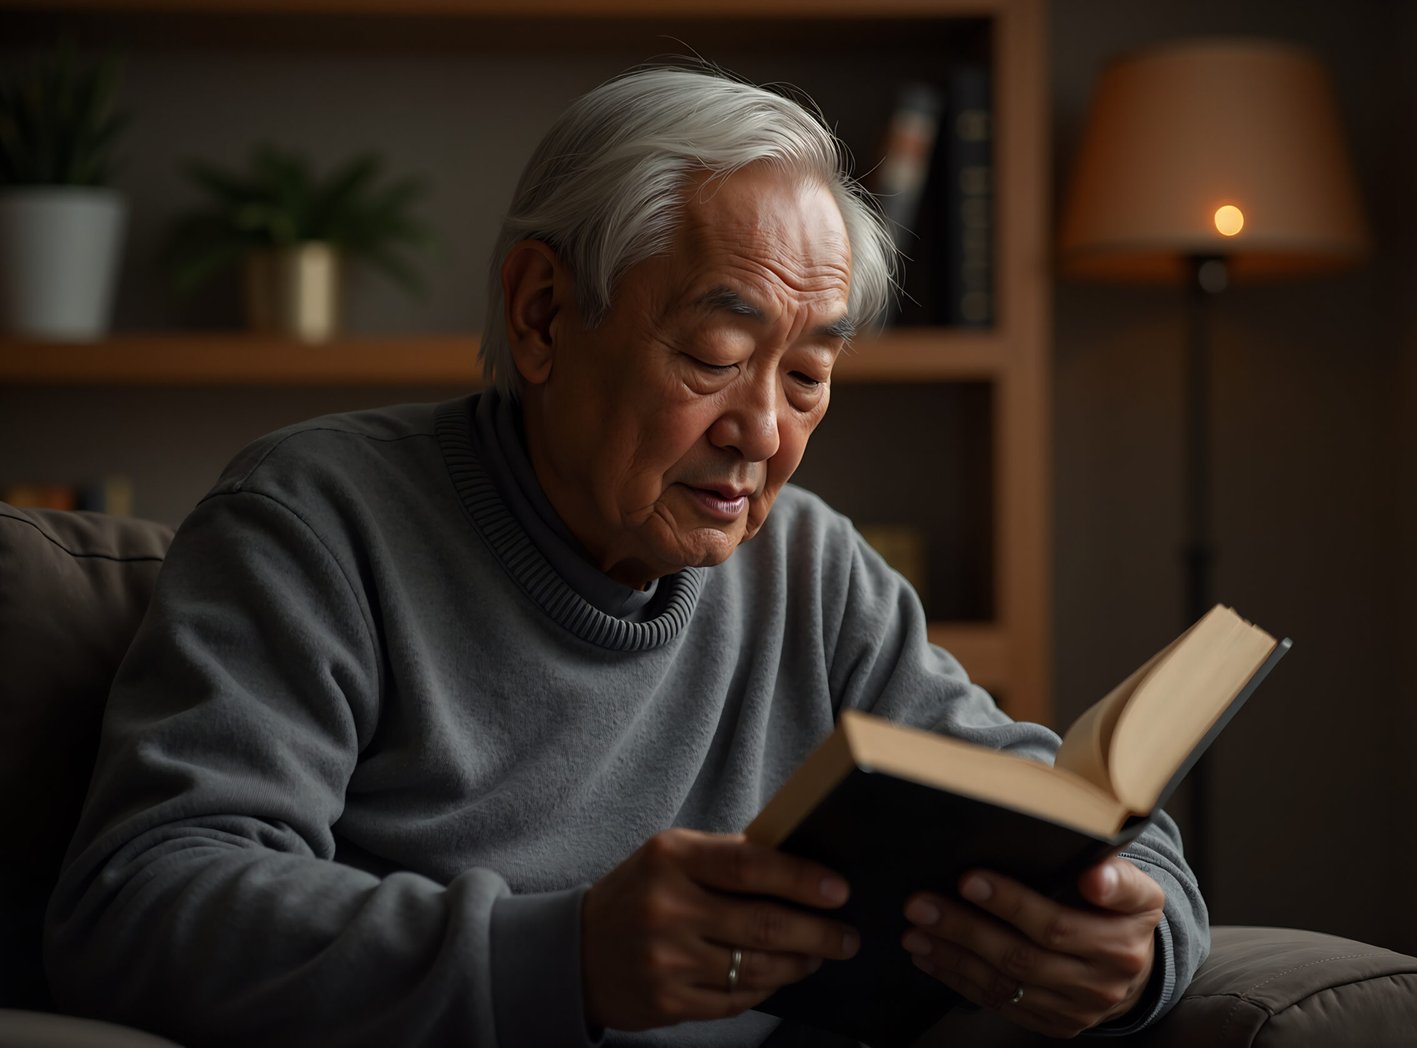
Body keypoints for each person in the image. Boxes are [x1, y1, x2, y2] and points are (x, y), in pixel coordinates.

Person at [45, 67, 1206, 1047]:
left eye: (808, 376)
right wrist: (562, 957)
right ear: (543, 313)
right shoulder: (316, 522)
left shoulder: (814, 571)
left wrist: (1133, 936)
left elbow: (1056, 799)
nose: (764, 431)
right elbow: (139, 900)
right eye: (715, 354)